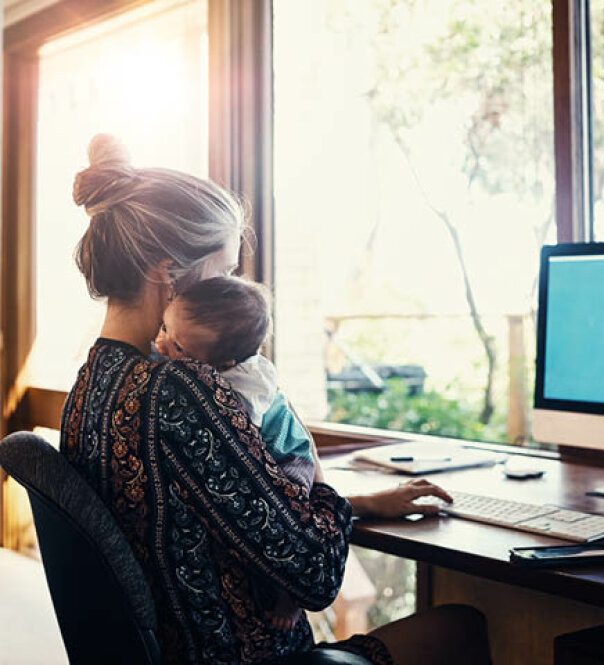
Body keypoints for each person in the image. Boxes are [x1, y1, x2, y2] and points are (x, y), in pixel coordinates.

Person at [60, 134, 492, 665]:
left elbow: (198, 516)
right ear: (168, 275)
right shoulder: (181, 389)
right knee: (460, 627)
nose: (231, 293)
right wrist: (325, 491)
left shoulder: (91, 383)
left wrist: (361, 505)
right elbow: (314, 575)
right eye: (223, 274)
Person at [155, 275, 317, 631]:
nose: (162, 343)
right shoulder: (207, 361)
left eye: (178, 348)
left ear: (224, 363)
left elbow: (240, 436)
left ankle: (290, 596)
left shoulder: (245, 388)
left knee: (288, 519)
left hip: (289, 456)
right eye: (165, 327)